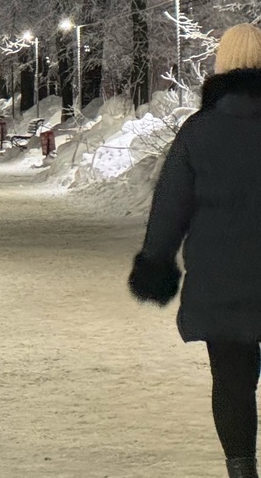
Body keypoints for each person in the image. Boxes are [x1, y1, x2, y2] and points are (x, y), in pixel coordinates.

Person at [129, 24, 261, 478]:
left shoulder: (198, 133)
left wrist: (156, 263)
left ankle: (242, 470)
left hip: (221, 283)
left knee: (232, 382)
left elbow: (170, 208)